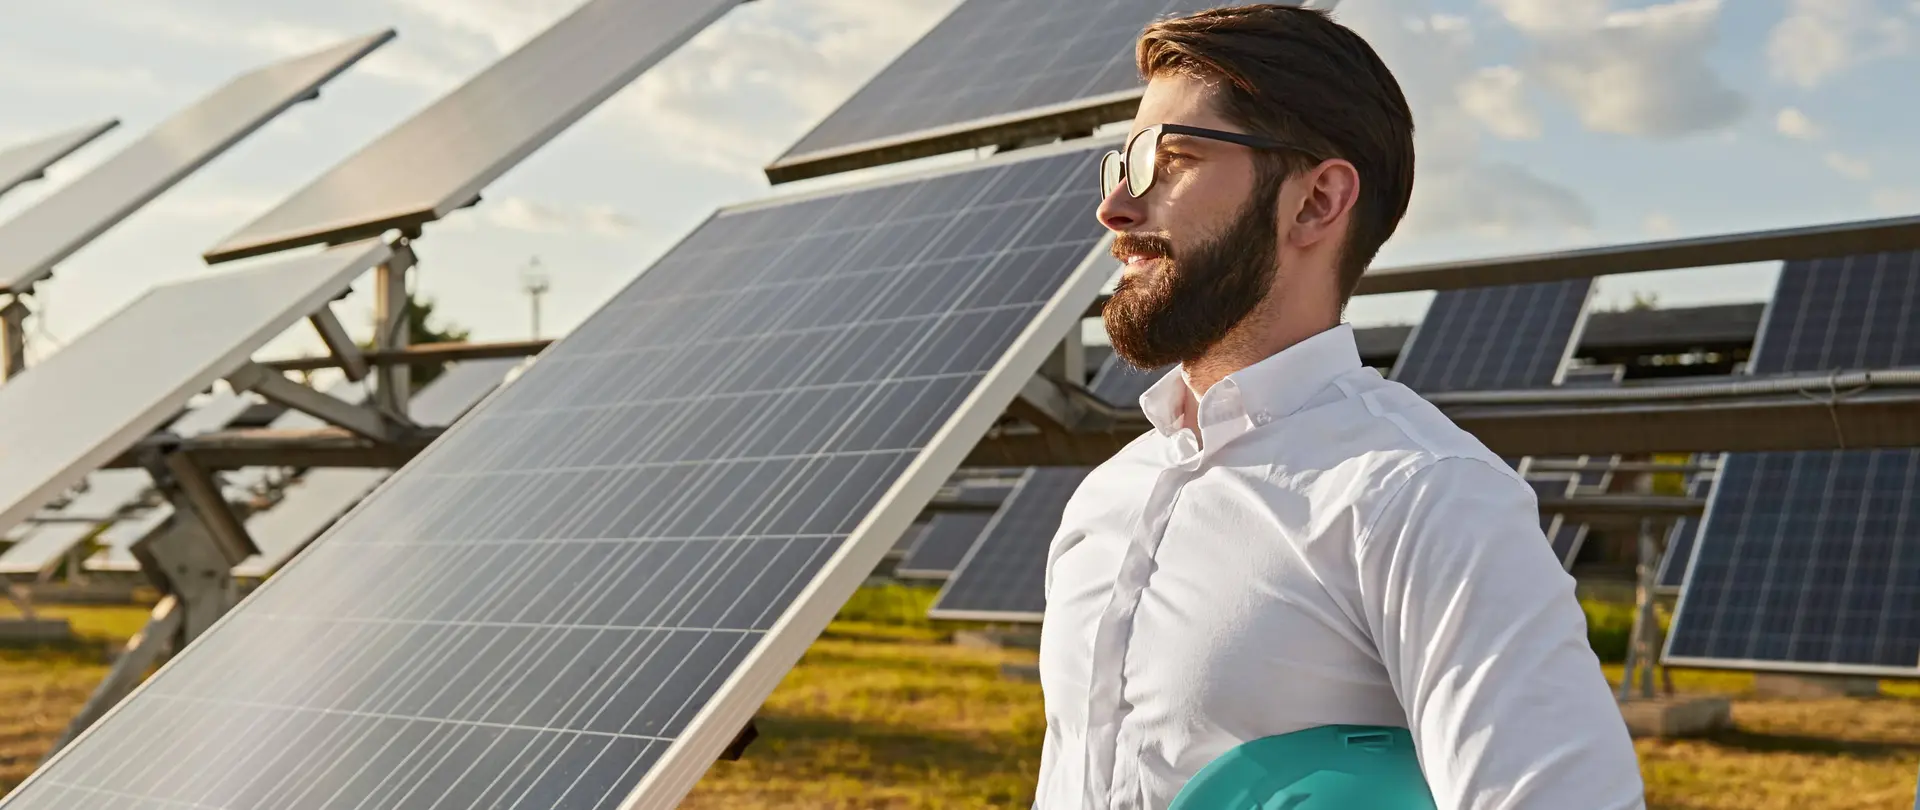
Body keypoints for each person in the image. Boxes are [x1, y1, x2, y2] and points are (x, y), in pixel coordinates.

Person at [1033, 5, 1645, 809]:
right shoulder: (1107, 495)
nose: (1116, 209)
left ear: (1318, 201)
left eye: (1170, 159)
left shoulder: (1425, 497)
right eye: (1121, 166)